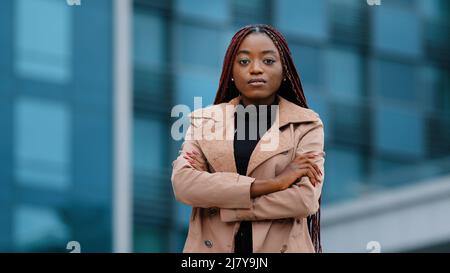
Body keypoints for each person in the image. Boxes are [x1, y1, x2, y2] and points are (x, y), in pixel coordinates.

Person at [171, 24, 325, 253]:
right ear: (230, 72)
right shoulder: (204, 122)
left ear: (285, 71)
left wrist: (231, 207)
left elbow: (304, 199)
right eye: (244, 61)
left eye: (268, 61)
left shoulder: (305, 124)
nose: (255, 69)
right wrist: (274, 184)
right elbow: (184, 184)